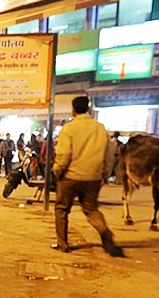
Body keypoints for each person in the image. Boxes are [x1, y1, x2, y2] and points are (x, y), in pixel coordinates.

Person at [50, 95, 124, 257]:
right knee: (91, 209)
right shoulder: (100, 128)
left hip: (70, 176)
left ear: (73, 110)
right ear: (88, 109)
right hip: (93, 177)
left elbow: (64, 154)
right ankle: (105, 232)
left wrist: (57, 170)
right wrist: (104, 174)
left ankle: (63, 243)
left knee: (62, 209)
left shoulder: (69, 128)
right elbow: (108, 154)